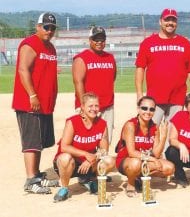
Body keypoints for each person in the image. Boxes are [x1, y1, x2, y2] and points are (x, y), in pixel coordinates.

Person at [135, 8, 190, 146]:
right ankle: (149, 157)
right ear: (160, 21)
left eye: (173, 20)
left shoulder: (184, 43)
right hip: (155, 97)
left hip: (178, 97)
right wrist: (140, 93)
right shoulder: (148, 42)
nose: (170, 23)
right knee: (151, 129)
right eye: (167, 20)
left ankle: (167, 161)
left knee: (172, 131)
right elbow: (140, 68)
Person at [12, 12, 59, 194]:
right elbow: (23, 70)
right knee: (32, 141)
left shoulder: (50, 48)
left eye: (52, 28)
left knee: (39, 141)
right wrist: (32, 95)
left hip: (45, 104)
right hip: (30, 103)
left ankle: (37, 175)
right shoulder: (30, 44)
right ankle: (30, 180)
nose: (49, 30)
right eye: (46, 27)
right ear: (37, 27)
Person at [53, 92, 115, 202]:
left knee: (109, 160)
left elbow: (104, 149)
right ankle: (64, 188)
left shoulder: (102, 124)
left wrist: (92, 159)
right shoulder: (73, 122)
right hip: (70, 162)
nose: (94, 109)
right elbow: (64, 147)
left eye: (96, 106)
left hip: (89, 162)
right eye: (90, 106)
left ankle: (92, 180)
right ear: (82, 107)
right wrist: (86, 155)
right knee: (65, 158)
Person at [115, 96, 174, 197]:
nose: (148, 112)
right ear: (138, 109)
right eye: (144, 108)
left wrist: (164, 137)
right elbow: (132, 152)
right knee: (135, 163)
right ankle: (130, 184)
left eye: (152, 109)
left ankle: (139, 177)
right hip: (127, 161)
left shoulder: (154, 127)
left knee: (169, 168)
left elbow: (156, 153)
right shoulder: (131, 125)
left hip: (144, 161)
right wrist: (153, 159)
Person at [72, 26, 117, 145]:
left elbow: (112, 78)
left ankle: (102, 162)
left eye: (102, 40)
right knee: (86, 141)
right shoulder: (81, 58)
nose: (99, 42)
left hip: (107, 106)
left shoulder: (110, 58)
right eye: (96, 39)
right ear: (90, 40)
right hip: (88, 107)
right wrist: (83, 105)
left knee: (105, 141)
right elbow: (78, 82)